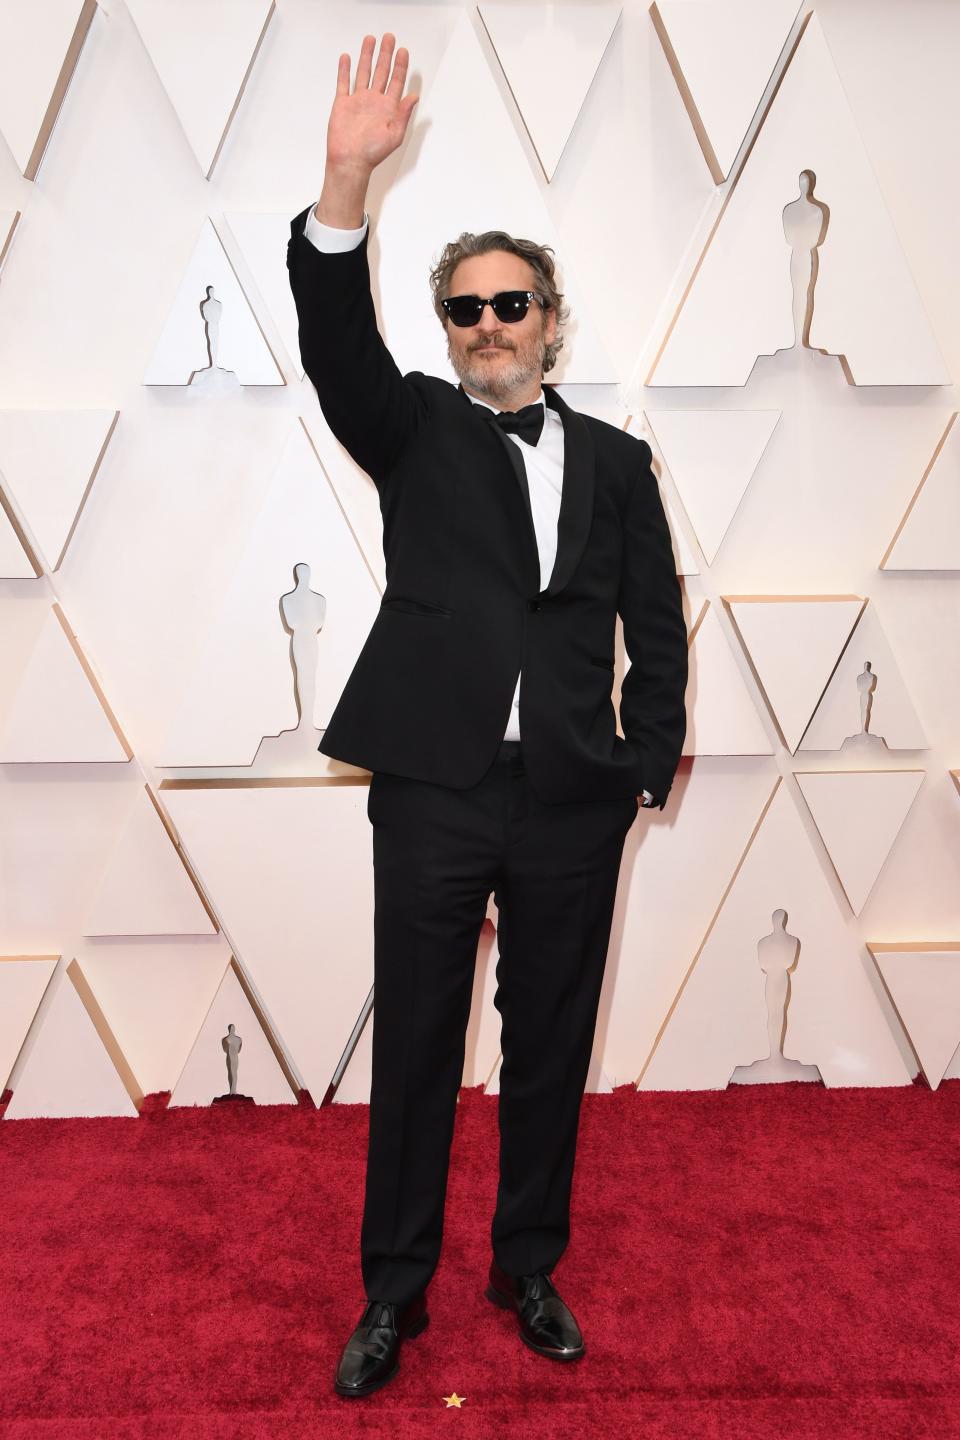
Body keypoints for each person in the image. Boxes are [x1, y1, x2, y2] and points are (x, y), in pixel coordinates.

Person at [286, 32, 688, 1400]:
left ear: (552, 320)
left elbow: (658, 624)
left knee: (551, 1042)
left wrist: (644, 769)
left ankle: (528, 1265)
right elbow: (338, 341)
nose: (491, 326)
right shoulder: (412, 428)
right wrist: (347, 182)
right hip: (437, 788)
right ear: (449, 331)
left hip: (574, 790)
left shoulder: (624, 463)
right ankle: (392, 1294)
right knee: (416, 1038)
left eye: (512, 303)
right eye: (465, 309)